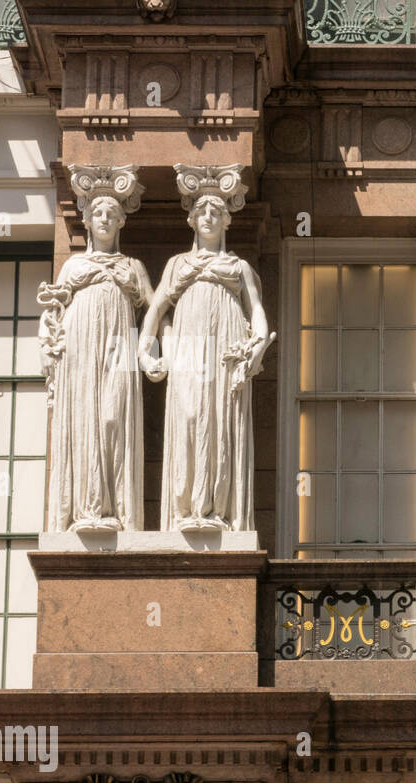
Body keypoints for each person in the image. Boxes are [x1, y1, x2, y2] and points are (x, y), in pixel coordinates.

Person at [138, 164, 274, 532]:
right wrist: (143, 351)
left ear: (227, 221)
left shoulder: (239, 266)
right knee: (190, 415)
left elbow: (257, 312)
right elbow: (156, 310)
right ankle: (186, 508)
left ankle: (216, 509)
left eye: (217, 212)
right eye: (203, 212)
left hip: (226, 346)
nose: (210, 217)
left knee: (220, 421)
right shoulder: (177, 264)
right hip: (188, 347)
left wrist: (258, 343)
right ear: (193, 221)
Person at [37, 165, 154, 532]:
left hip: (120, 345)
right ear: (86, 221)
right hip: (80, 347)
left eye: (112, 214)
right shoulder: (73, 266)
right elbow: (52, 311)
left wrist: (157, 351)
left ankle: (117, 509)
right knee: (85, 417)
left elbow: (158, 309)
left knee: (112, 417)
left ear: (121, 222)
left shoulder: (133, 267)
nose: (104, 218)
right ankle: (87, 511)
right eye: (98, 213)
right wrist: (47, 343)